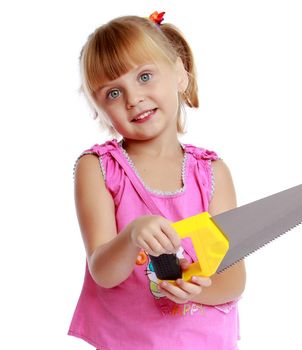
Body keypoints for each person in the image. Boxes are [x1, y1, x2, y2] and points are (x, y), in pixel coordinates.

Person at [68, 11, 246, 350]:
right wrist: (133, 233)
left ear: (179, 73)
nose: (133, 98)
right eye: (113, 93)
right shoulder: (99, 168)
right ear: (99, 109)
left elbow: (234, 278)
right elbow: (103, 271)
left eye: (145, 76)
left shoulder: (212, 173)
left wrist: (198, 287)